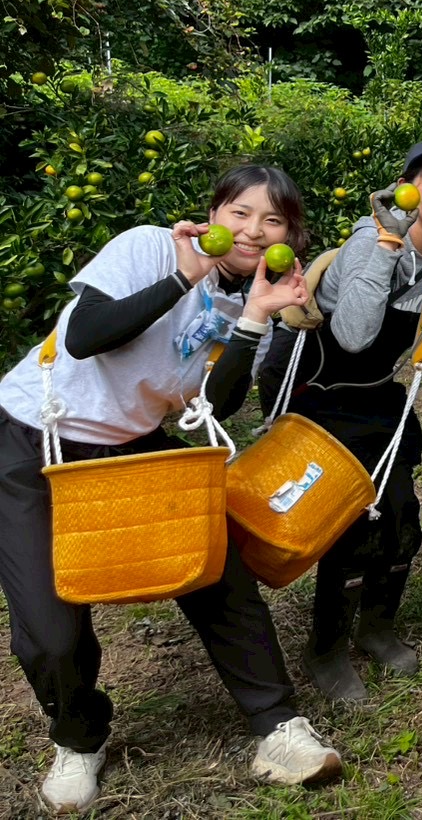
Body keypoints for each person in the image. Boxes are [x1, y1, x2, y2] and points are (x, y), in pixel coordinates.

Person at [0, 165, 341, 813]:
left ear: (292, 238)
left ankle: (276, 728)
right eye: (240, 212)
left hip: (131, 440)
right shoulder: (149, 247)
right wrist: (185, 275)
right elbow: (85, 337)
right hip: (30, 437)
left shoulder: (255, 301)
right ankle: (79, 738)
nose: (253, 230)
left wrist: (255, 321)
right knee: (48, 628)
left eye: (274, 221)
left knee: (216, 566)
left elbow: (218, 404)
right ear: (213, 215)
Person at [257, 137, 422, 703]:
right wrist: (385, 242)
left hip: (378, 393)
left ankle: (376, 627)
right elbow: (354, 335)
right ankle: (325, 648)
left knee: (401, 515)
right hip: (319, 389)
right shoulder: (367, 241)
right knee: (353, 524)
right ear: (405, 190)